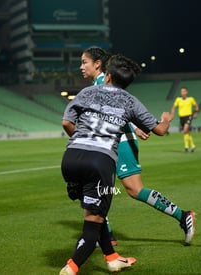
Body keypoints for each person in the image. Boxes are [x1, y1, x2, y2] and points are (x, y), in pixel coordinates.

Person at [59, 54, 173, 275]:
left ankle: (112, 259)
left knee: (95, 211)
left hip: (70, 159)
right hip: (99, 163)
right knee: (93, 223)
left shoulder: (87, 92)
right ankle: (71, 267)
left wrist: (81, 141)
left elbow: (66, 121)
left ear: (108, 75)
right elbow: (159, 130)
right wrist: (166, 119)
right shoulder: (131, 101)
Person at [80, 46, 196, 247]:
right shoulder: (99, 83)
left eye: (84, 62)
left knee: (133, 189)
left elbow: (116, 107)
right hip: (110, 142)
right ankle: (105, 235)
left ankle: (183, 216)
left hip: (120, 142)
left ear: (97, 64)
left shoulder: (103, 82)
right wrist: (135, 125)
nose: (81, 67)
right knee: (97, 188)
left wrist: (136, 126)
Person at [171, 87, 199, 153]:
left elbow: (196, 107)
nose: (182, 93)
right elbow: (174, 107)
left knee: (185, 130)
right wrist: (172, 114)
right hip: (181, 117)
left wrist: (195, 113)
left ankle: (187, 146)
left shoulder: (191, 99)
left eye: (184, 91)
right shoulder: (178, 99)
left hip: (188, 116)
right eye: (181, 91)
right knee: (186, 132)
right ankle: (191, 146)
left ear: (186, 92)